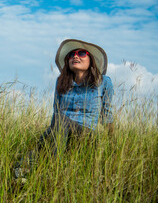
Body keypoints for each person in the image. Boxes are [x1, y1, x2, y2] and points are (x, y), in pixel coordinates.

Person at [14, 39, 114, 181]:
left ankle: (52, 169)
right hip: (60, 131)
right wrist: (52, 133)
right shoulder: (61, 82)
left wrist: (112, 143)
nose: (75, 56)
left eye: (81, 53)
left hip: (86, 134)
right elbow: (56, 112)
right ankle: (21, 174)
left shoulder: (104, 82)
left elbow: (107, 114)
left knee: (60, 122)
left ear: (91, 60)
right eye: (71, 54)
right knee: (56, 125)